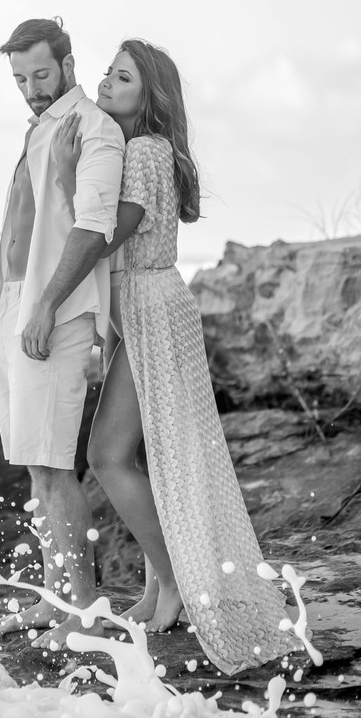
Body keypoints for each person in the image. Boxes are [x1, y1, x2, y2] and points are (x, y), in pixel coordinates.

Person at [51, 38, 298, 674]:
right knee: (126, 455)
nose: (107, 82)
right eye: (108, 72)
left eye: (122, 77)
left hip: (156, 312)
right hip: (144, 312)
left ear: (150, 96)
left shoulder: (147, 151)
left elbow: (110, 232)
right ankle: (164, 584)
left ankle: (177, 581)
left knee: (109, 455)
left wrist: (67, 174)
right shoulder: (138, 150)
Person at [0, 17, 125, 650]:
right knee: (35, 468)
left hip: (53, 310)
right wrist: (10, 307)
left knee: (52, 465)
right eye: (20, 78)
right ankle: (55, 601)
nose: (31, 88)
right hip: (17, 306)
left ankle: (85, 612)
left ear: (69, 65)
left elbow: (93, 229)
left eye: (40, 74)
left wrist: (43, 306)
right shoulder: (42, 127)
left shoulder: (92, 130)